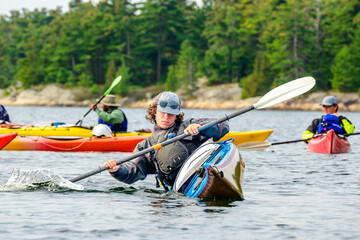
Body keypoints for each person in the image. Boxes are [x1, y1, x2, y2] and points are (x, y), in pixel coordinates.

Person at [103, 91, 230, 190]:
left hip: (205, 174)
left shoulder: (190, 125)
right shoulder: (146, 146)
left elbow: (223, 126)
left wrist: (202, 128)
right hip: (182, 190)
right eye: (162, 112)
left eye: (170, 114)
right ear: (154, 112)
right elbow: (131, 171)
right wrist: (117, 170)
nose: (166, 117)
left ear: (177, 114)